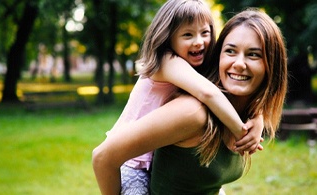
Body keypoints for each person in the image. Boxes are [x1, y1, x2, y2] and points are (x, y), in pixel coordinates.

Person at [93, 8, 287, 194]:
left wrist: (258, 115)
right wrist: (241, 129)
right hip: (133, 170)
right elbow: (103, 157)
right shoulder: (193, 112)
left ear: (273, 64)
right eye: (230, 51)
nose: (239, 63)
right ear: (218, 55)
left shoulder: (246, 114)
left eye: (253, 54)